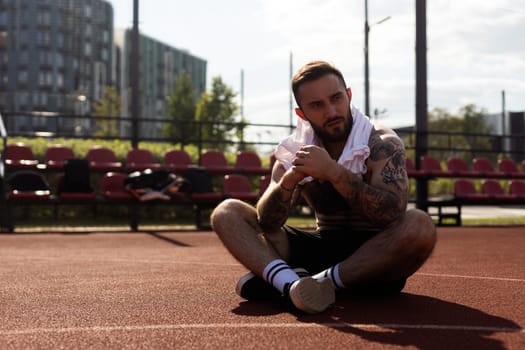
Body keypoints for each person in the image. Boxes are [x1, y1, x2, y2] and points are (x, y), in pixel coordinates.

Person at [211, 60, 436, 314]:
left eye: (336, 98)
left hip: (375, 256)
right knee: (226, 212)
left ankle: (307, 282)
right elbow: (268, 222)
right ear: (301, 113)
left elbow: (391, 215)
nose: (331, 111)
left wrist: (333, 172)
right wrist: (288, 182)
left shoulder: (382, 143)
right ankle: (293, 286)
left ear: (349, 96)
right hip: (321, 244)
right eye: (317, 105)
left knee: (420, 225)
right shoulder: (294, 150)